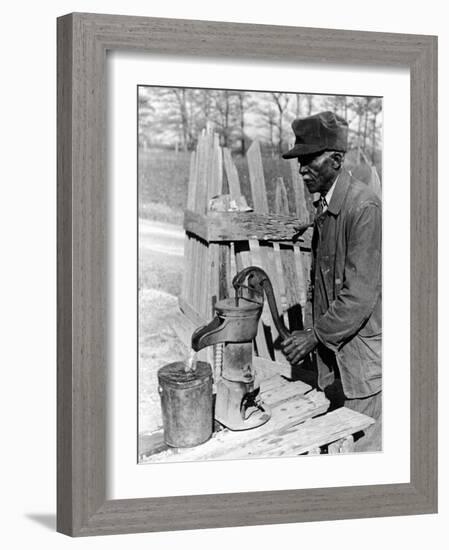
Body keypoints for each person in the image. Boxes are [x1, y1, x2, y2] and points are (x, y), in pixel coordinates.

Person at [281, 111, 382, 452]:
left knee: (362, 458)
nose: (301, 168)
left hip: (360, 365)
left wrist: (314, 335)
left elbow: (359, 296)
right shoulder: (327, 205)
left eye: (309, 159)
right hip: (335, 361)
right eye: (299, 160)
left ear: (336, 160)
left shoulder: (364, 207)